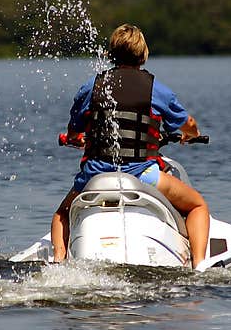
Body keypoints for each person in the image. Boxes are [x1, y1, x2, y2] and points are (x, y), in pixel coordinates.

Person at [50, 24, 210, 269]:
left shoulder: (92, 87)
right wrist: (192, 134)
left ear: (111, 54)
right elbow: (187, 124)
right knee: (198, 205)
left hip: (95, 175)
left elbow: (74, 131)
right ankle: (199, 267)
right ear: (143, 54)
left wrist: (76, 139)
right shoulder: (156, 89)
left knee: (62, 214)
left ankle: (59, 263)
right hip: (142, 174)